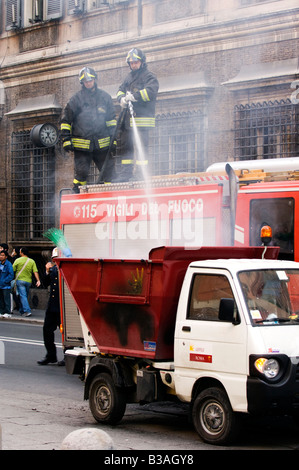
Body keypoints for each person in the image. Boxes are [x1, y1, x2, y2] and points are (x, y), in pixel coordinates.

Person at [60, 66, 117, 193]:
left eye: (90, 80)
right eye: (85, 81)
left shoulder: (105, 98)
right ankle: (78, 198)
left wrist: (114, 139)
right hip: (82, 147)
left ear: (94, 80)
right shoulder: (76, 100)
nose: (88, 83)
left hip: (103, 145)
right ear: (82, 83)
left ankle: (110, 198)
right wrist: (66, 140)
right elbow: (66, 121)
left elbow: (112, 121)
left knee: (109, 173)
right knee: (81, 174)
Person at [115, 48, 159, 182]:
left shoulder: (149, 76)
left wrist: (135, 96)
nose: (133, 65)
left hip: (142, 120)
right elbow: (120, 90)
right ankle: (125, 174)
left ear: (142, 62)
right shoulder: (129, 77)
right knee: (125, 147)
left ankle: (140, 174)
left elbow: (151, 91)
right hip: (127, 121)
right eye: (131, 62)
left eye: (136, 62)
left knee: (141, 148)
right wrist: (121, 98)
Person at [38, 248, 63, 365]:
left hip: (63, 307)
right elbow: (45, 283)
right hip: (52, 305)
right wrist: (47, 271)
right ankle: (51, 355)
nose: (55, 261)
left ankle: (68, 356)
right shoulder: (53, 270)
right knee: (47, 330)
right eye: (54, 259)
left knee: (66, 333)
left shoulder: (64, 270)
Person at [12, 247, 41, 317]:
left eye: (20, 252)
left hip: (20, 280)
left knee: (23, 296)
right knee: (25, 295)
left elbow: (12, 269)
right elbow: (35, 271)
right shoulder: (32, 261)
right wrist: (38, 280)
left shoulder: (17, 260)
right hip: (28, 281)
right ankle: (22, 310)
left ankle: (27, 311)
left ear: (21, 253)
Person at [0, 250, 14, 318]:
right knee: (1, 299)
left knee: (6, 299)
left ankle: (7, 312)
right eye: (0, 255)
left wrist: (5, 281)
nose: (1, 257)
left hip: (6, 285)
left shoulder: (8, 264)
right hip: (0, 285)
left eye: (3, 255)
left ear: (6, 257)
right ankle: (1, 311)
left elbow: (11, 274)